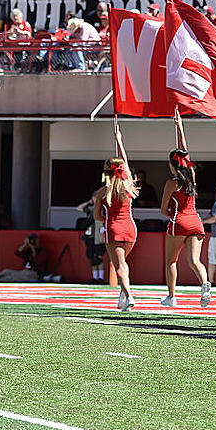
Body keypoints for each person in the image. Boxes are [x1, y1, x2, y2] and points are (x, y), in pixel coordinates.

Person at [159, 110, 211, 308]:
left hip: (179, 220)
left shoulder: (171, 183)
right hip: (196, 221)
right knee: (194, 261)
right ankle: (204, 284)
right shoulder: (192, 175)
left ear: (172, 165)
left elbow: (163, 209)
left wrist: (171, 216)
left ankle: (171, 297)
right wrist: (179, 127)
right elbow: (185, 152)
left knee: (171, 261)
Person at [93, 125, 138, 311]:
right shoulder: (127, 184)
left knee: (118, 265)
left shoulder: (103, 192)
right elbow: (125, 162)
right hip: (131, 228)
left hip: (114, 228)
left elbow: (97, 215)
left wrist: (108, 221)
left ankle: (128, 295)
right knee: (123, 264)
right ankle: (123, 293)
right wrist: (119, 140)